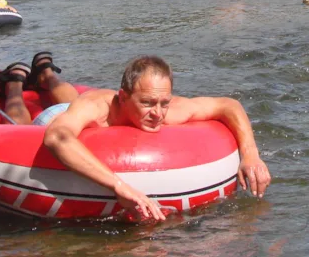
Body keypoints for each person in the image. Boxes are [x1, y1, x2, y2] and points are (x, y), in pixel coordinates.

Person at [40, 55, 271, 221]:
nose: (158, 113)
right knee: (54, 105)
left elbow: (228, 105)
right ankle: (35, 78)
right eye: (147, 103)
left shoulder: (169, 110)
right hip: (54, 117)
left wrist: (250, 155)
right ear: (123, 97)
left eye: (163, 103)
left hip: (75, 109)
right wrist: (118, 186)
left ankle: (45, 72)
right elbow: (57, 137)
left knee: (69, 98)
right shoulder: (97, 107)